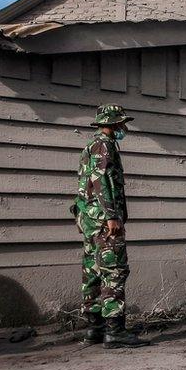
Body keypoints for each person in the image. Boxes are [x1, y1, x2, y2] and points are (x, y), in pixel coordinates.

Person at [74, 104, 148, 348]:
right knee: (114, 271)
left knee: (93, 271)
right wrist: (112, 216)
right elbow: (102, 181)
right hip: (104, 221)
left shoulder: (92, 145)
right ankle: (114, 331)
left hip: (91, 220)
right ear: (113, 123)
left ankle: (94, 328)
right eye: (121, 124)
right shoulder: (103, 146)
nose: (124, 128)